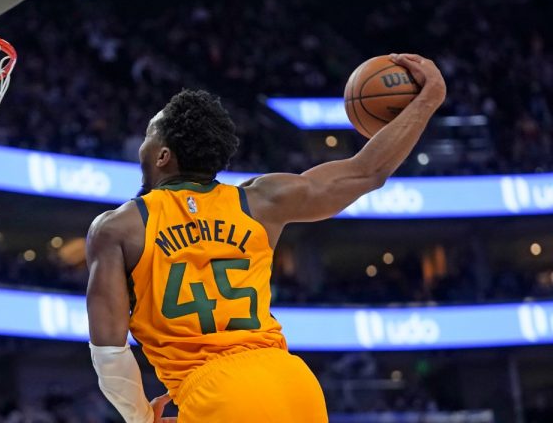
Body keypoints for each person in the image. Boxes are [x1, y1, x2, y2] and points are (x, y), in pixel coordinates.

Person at [86, 53, 446, 422]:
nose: (141, 147)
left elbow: (110, 354)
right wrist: (429, 98)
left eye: (148, 136)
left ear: (163, 156)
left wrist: (143, 417)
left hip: (216, 392)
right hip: (292, 384)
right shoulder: (259, 201)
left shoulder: (119, 227)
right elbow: (366, 172)